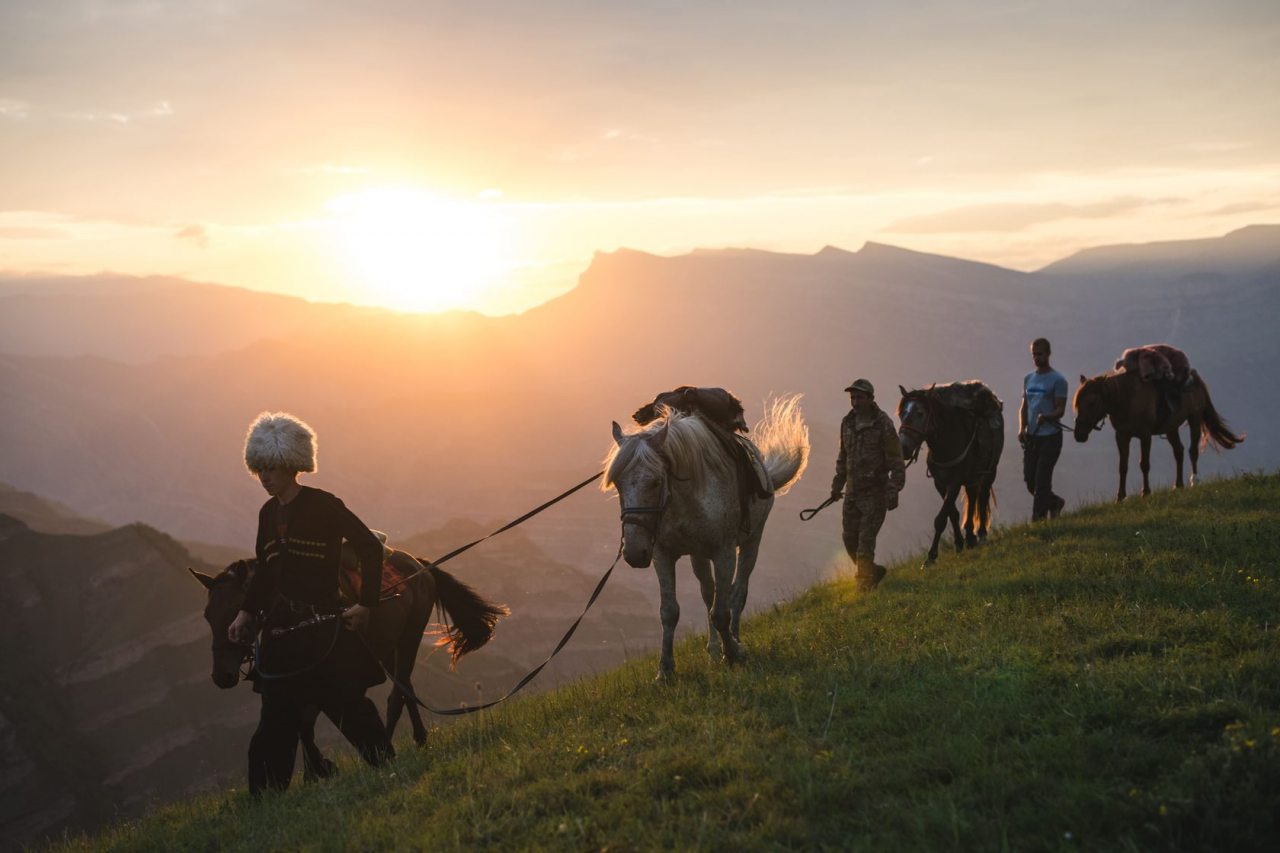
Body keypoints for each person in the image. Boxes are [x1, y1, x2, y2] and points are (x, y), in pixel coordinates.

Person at [228, 411, 394, 795]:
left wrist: (366, 605)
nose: (265, 478)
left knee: (349, 708)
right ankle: (266, 802)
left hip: (325, 633)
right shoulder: (267, 514)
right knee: (274, 723)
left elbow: (370, 547)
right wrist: (245, 612)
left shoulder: (324, 505)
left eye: (271, 468)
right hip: (281, 639)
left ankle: (388, 772)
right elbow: (265, 575)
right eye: (259, 470)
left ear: (292, 465)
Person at [829, 379, 906, 591]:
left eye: (859, 397)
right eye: (852, 397)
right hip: (852, 495)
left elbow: (896, 460)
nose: (855, 402)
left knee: (864, 544)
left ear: (871, 398)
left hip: (875, 495)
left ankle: (864, 588)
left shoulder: (883, 423)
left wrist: (893, 489)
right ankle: (873, 572)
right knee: (849, 540)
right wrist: (837, 486)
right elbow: (843, 457)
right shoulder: (847, 423)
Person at [1019, 338, 1068, 520]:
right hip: (1032, 437)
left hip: (1051, 437)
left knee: (1041, 483)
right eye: (1034, 354)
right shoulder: (1028, 379)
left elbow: (1060, 410)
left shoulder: (1058, 380)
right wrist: (1021, 428)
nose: (1036, 358)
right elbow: (1024, 406)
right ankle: (1055, 503)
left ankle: (1037, 523)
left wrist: (1047, 416)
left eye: (1039, 354)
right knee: (1030, 481)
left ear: (1048, 354)